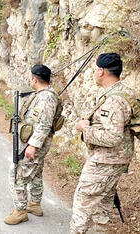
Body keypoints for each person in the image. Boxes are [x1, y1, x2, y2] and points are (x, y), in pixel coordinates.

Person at [70, 53, 136, 233]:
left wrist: (85, 129)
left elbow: (112, 137)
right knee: (103, 205)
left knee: (82, 204)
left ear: (101, 71)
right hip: (115, 161)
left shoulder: (114, 99)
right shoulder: (124, 91)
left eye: (95, 69)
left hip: (105, 161)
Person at [4, 64, 58, 225]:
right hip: (35, 142)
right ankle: (34, 204)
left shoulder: (46, 97)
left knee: (17, 173)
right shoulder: (42, 94)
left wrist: (33, 145)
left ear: (34, 79)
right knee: (35, 172)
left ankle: (20, 211)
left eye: (31, 77)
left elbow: (44, 124)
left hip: (35, 143)